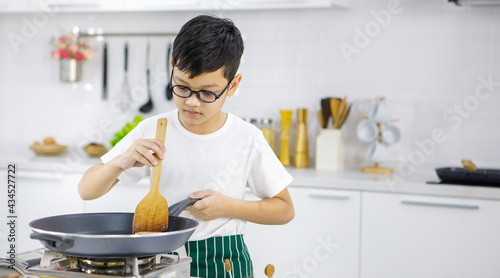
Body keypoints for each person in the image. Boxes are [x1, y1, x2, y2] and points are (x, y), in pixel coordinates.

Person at [78, 14, 294, 278]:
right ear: (172, 69)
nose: (192, 102)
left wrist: (227, 207)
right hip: (161, 261)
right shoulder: (153, 129)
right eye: (182, 87)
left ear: (233, 85)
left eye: (207, 93)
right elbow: (86, 191)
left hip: (225, 264)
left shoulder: (247, 137)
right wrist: (121, 161)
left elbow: (284, 209)